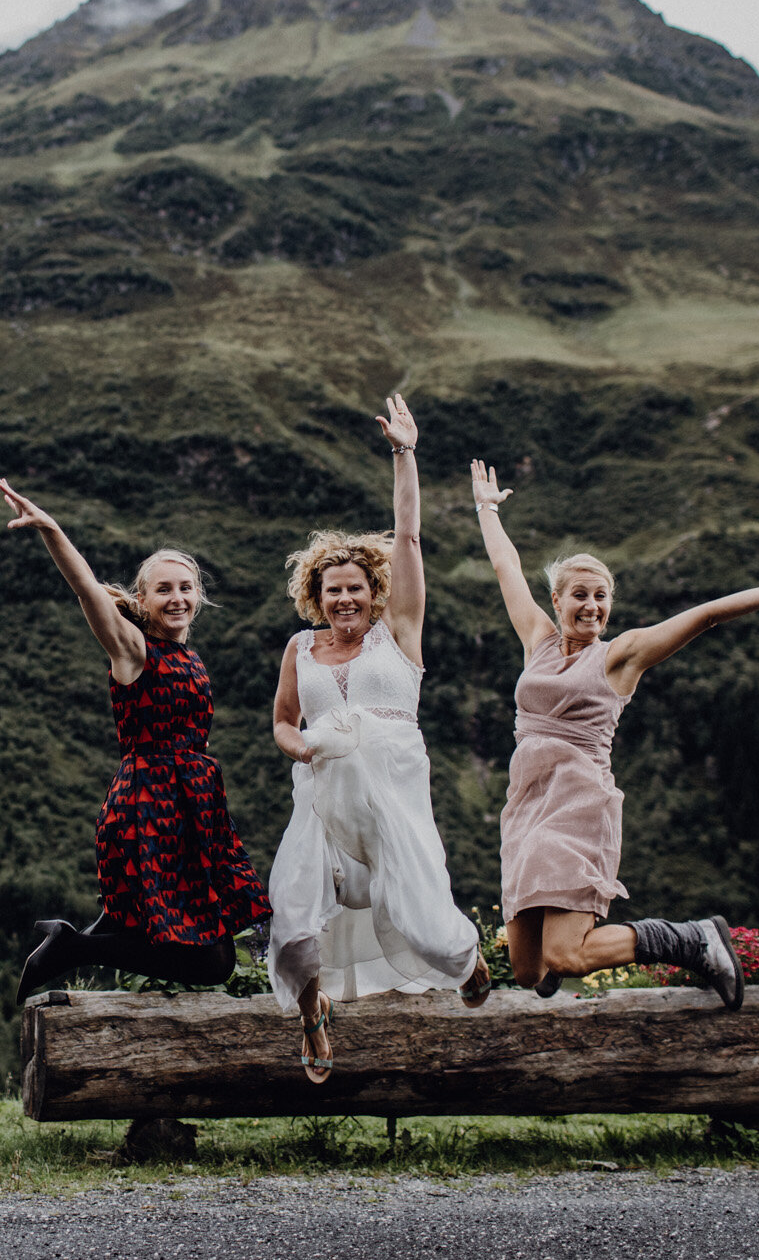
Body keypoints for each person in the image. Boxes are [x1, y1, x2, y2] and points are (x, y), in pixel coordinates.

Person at [468, 458, 759, 1009]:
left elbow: (706, 617)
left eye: (601, 596)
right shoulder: (539, 641)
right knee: (529, 969)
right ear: (557, 601)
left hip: (575, 809)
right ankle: (572, 946)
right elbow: (506, 568)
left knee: (566, 959)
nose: (592, 606)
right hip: (525, 810)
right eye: (580, 595)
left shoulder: (620, 656)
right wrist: (486, 509)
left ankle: (692, 939)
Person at [268, 396, 491, 1084]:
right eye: (332, 590)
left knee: (422, 923)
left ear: (374, 592)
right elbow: (280, 719)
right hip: (324, 798)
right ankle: (313, 1012)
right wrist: (299, 746)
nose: (344, 601)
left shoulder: (400, 638)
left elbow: (410, 539)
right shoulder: (300, 649)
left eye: (356, 589)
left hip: (391, 797)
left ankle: (468, 959)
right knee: (297, 921)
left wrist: (404, 453)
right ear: (316, 593)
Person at [0, 477, 271, 998]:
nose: (177, 598)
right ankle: (71, 946)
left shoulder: (189, 656)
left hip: (190, 808)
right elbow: (85, 588)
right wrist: (52, 529)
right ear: (142, 600)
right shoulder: (134, 650)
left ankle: (81, 940)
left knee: (205, 951)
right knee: (211, 961)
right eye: (163, 589)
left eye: (185, 588)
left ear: (198, 596)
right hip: (149, 808)